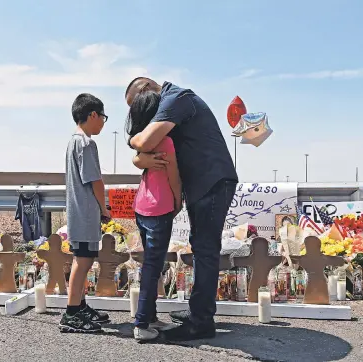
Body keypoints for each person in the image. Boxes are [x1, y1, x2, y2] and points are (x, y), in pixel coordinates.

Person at [125, 78, 238, 341]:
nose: (138, 112)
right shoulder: (172, 102)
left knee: (205, 249)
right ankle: (199, 312)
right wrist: (137, 155)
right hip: (204, 183)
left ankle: (201, 323)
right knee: (200, 246)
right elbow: (144, 151)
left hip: (211, 181)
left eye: (137, 104)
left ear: (146, 91)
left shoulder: (176, 99)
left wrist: (134, 145)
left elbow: (145, 141)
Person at [125, 91, 182, 341]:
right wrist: (179, 199)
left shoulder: (141, 143)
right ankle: (141, 324)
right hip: (160, 208)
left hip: (142, 207)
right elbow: (173, 177)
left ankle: (151, 317)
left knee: (151, 265)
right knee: (153, 267)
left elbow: (136, 158)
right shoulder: (167, 142)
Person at [59, 93, 112, 333]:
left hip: (77, 211)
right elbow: (96, 181)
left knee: (81, 259)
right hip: (86, 212)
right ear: (92, 115)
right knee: (84, 260)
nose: (102, 122)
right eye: (102, 117)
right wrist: (105, 208)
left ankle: (79, 305)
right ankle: (71, 313)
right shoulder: (87, 143)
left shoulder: (73, 141)